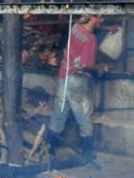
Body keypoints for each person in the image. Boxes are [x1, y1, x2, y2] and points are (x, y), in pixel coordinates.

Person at [46, 15, 107, 160]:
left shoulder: (75, 28)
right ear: (92, 17)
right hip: (77, 80)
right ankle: (87, 153)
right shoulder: (90, 39)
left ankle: (48, 149)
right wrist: (101, 67)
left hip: (63, 75)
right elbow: (86, 65)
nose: (102, 20)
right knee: (84, 116)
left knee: (59, 114)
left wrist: (107, 28)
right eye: (101, 17)